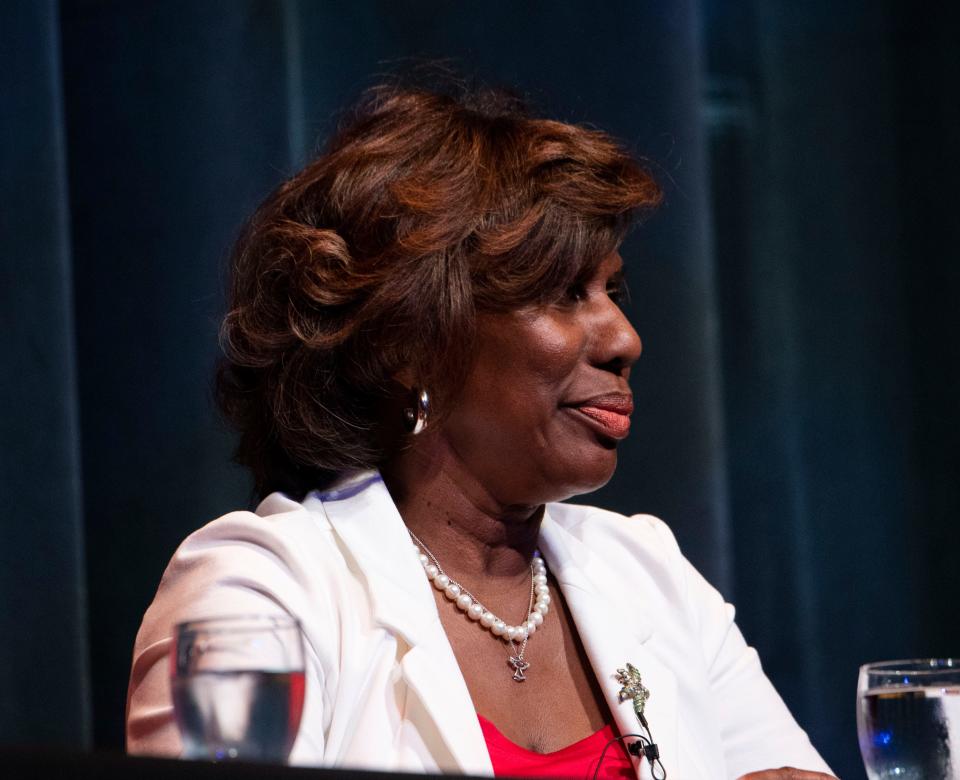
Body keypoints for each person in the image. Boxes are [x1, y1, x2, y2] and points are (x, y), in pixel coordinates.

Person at [126, 81, 837, 780]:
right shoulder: (263, 588)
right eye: (564, 293)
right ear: (407, 345)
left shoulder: (648, 575)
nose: (626, 338)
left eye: (612, 292)